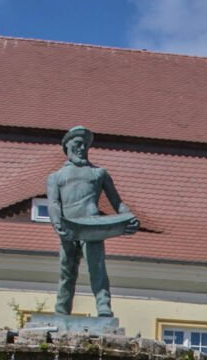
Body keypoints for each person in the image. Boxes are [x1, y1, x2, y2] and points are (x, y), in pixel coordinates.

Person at [48, 125, 139, 318]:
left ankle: (103, 305)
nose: (82, 149)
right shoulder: (56, 177)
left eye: (86, 146)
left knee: (97, 268)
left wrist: (129, 218)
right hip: (69, 227)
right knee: (67, 271)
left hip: (92, 226)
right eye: (78, 144)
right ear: (67, 146)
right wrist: (56, 223)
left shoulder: (99, 173)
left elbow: (117, 203)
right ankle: (62, 308)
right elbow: (54, 203)